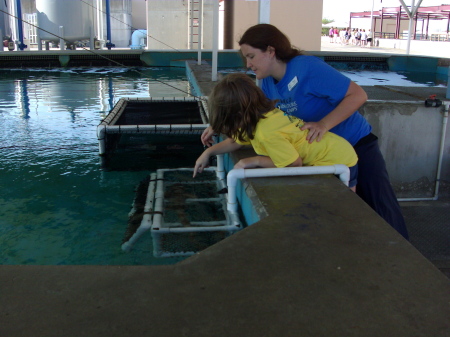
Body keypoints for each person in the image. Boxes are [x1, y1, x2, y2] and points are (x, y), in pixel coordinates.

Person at [201, 24, 409, 240]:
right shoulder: (266, 84)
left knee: (382, 208)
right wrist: (220, 122)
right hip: (323, 155)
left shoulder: (306, 67)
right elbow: (252, 114)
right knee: (349, 216)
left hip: (357, 144)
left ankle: (405, 262)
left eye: (251, 56)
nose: (248, 64)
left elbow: (358, 95)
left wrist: (323, 124)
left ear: (271, 51)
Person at [194, 73, 358, 192]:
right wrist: (209, 152)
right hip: (337, 149)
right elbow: (236, 141)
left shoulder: (266, 133)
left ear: (236, 117)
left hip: (337, 161)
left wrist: (254, 161)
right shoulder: (262, 116)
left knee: (343, 211)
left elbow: (293, 164)